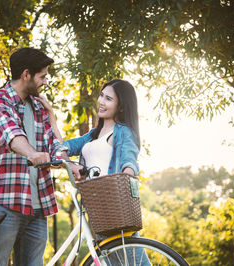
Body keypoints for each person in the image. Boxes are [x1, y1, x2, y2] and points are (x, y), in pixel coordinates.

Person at [0, 47, 80, 266]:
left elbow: (54, 143)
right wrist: (33, 154)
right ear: (26, 75)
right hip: (6, 204)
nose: (46, 81)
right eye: (42, 76)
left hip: (38, 206)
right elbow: (12, 136)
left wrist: (68, 163)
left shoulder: (38, 106)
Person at [37, 79, 150, 265]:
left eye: (109, 99)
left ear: (121, 107)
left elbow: (129, 158)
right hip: (98, 210)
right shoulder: (93, 135)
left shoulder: (123, 132)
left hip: (115, 205)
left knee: (134, 262)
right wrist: (51, 117)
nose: (101, 101)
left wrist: (128, 174)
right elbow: (63, 147)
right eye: (102, 96)